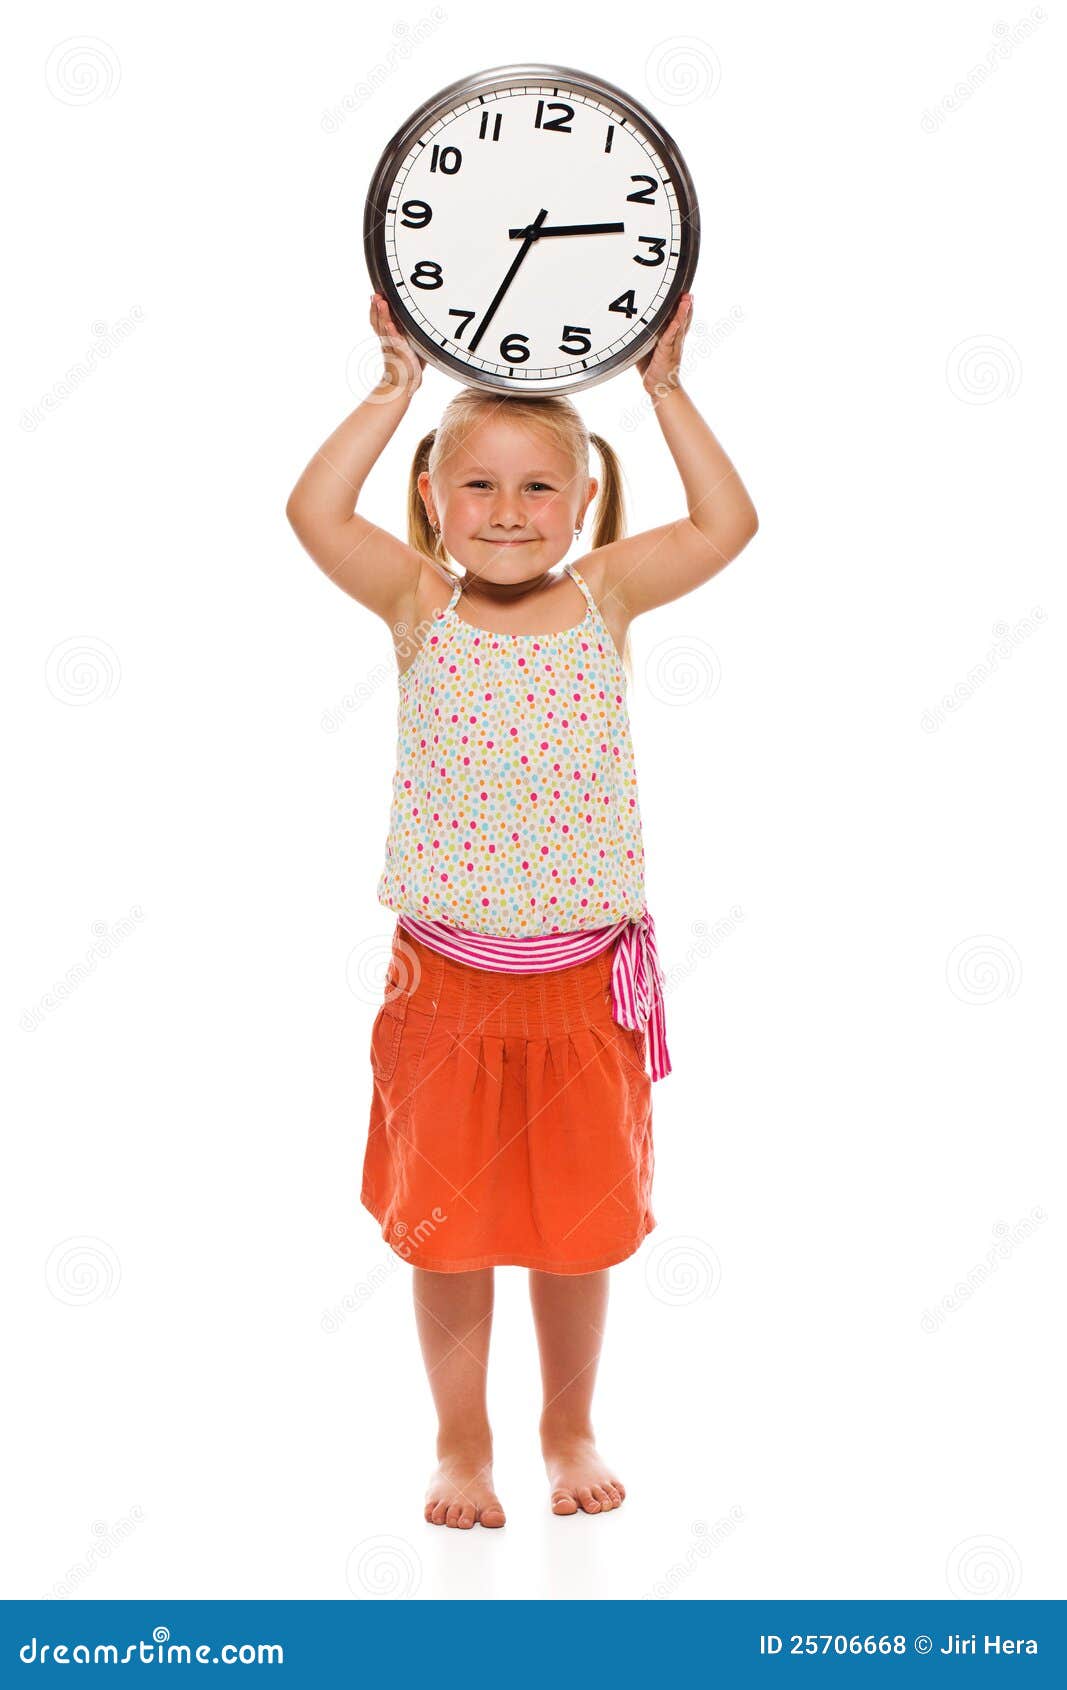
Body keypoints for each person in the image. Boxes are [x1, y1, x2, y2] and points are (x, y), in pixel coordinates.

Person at [285, 289, 759, 1531]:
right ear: (435, 502)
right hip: (441, 987)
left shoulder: (604, 596)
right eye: (479, 489)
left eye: (537, 489)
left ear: (585, 499)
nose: (508, 513)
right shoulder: (415, 602)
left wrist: (663, 386)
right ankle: (460, 1439)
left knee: (574, 1228)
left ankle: (567, 1419)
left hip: (579, 986)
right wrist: (393, 391)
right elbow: (311, 513)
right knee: (449, 1230)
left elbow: (727, 522)